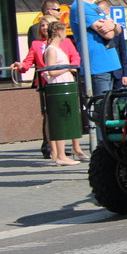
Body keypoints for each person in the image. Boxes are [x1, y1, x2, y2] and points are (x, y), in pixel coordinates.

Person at [12, 19, 88, 161]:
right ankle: (54, 151)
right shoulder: (37, 45)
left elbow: (75, 57)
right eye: (42, 25)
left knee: (69, 113)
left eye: (48, 25)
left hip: (65, 80)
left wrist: (73, 67)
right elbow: (28, 63)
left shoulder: (65, 42)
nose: (45, 27)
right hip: (49, 82)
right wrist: (21, 66)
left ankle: (75, 147)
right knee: (51, 116)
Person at [68, 0, 122, 97]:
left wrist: (113, 25)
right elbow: (108, 34)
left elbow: (118, 29)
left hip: (107, 63)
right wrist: (113, 26)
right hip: (97, 66)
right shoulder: (81, 7)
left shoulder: (95, 7)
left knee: (109, 108)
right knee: (100, 107)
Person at [42, 21, 82, 167]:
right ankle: (60, 155)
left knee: (64, 119)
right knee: (60, 121)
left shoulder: (57, 48)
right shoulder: (51, 49)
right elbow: (51, 71)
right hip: (58, 86)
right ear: (59, 32)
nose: (66, 34)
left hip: (64, 84)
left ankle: (62, 154)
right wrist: (67, 68)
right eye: (64, 31)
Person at [96, 0, 127, 89]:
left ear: (108, 10)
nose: (101, 14)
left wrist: (125, 74)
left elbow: (123, 52)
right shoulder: (97, 29)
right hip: (103, 71)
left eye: (102, 11)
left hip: (117, 72)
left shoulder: (118, 29)